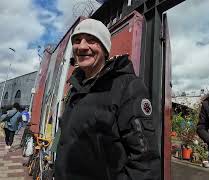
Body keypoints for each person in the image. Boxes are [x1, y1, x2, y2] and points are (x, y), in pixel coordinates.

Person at [55, 18, 160, 180]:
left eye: (91, 40)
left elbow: (145, 162)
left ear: (105, 50)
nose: (82, 46)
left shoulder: (127, 87)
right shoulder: (75, 87)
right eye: (77, 40)